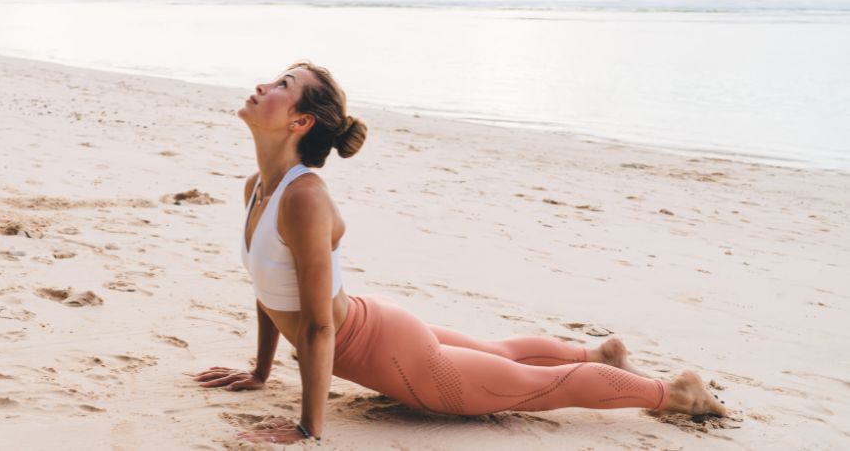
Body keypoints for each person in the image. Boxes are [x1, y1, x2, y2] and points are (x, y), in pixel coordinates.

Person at [191, 61, 729, 445]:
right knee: (501, 352)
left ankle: (675, 392)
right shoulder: (259, 187)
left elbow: (316, 329)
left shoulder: (305, 198)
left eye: (282, 84)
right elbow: (269, 288)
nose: (263, 85)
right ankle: (599, 355)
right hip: (376, 325)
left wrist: (310, 428)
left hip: (393, 355)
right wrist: (260, 372)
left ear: (300, 121)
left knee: (537, 388)